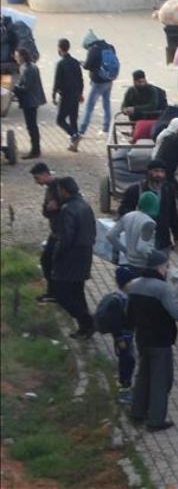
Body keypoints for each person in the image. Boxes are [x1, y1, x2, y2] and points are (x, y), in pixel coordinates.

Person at [126, 249, 178, 432]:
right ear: (160, 268)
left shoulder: (133, 285)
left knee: (143, 376)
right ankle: (156, 420)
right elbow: (177, 313)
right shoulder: (162, 288)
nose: (167, 269)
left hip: (142, 338)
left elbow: (129, 315)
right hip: (160, 340)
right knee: (161, 380)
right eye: (166, 266)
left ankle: (137, 412)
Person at [51, 177, 96, 339]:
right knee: (78, 292)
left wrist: (57, 256)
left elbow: (66, 238)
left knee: (61, 293)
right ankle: (85, 327)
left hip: (71, 257)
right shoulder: (85, 205)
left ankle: (87, 321)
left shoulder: (68, 209)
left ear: (64, 190)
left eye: (59, 190)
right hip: (85, 254)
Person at [118, 159, 178, 251]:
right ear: (148, 172)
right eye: (156, 171)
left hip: (162, 240)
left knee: (161, 263)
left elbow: (173, 214)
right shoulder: (135, 190)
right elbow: (123, 212)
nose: (159, 175)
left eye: (162, 171)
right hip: (140, 239)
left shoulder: (168, 190)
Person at [31, 163, 61, 304]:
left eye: (37, 178)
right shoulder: (50, 189)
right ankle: (53, 292)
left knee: (48, 261)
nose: (36, 182)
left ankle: (54, 292)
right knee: (47, 261)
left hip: (60, 233)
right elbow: (45, 211)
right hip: (55, 231)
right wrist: (49, 209)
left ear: (45, 174)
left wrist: (52, 209)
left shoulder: (57, 188)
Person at [109, 266, 140, 404]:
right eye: (131, 282)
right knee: (127, 361)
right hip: (123, 337)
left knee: (129, 360)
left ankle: (124, 385)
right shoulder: (118, 300)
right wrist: (119, 338)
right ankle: (124, 390)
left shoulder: (125, 297)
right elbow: (115, 323)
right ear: (126, 283)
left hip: (127, 336)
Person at [79, 30, 118, 137]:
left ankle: (81, 130)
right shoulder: (110, 46)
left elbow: (88, 65)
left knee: (89, 107)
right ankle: (106, 128)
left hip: (98, 82)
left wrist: (82, 63)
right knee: (106, 104)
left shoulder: (94, 50)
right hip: (109, 80)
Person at [107, 191, 159, 269]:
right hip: (143, 265)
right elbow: (142, 248)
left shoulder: (128, 216)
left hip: (129, 261)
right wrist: (157, 259)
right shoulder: (149, 223)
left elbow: (110, 235)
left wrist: (125, 250)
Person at [52, 38, 84, 151]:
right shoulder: (75, 62)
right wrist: (80, 93)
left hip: (65, 96)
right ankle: (73, 144)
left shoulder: (60, 63)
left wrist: (53, 95)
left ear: (60, 48)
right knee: (73, 119)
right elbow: (80, 79)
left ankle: (74, 135)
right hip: (75, 95)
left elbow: (57, 81)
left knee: (60, 120)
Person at [12, 48, 44, 159]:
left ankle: (35, 150)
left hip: (30, 101)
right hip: (32, 100)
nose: (15, 59)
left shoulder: (27, 69)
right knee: (32, 126)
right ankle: (36, 149)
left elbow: (26, 88)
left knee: (32, 126)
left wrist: (13, 87)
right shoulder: (28, 67)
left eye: (17, 56)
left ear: (22, 57)